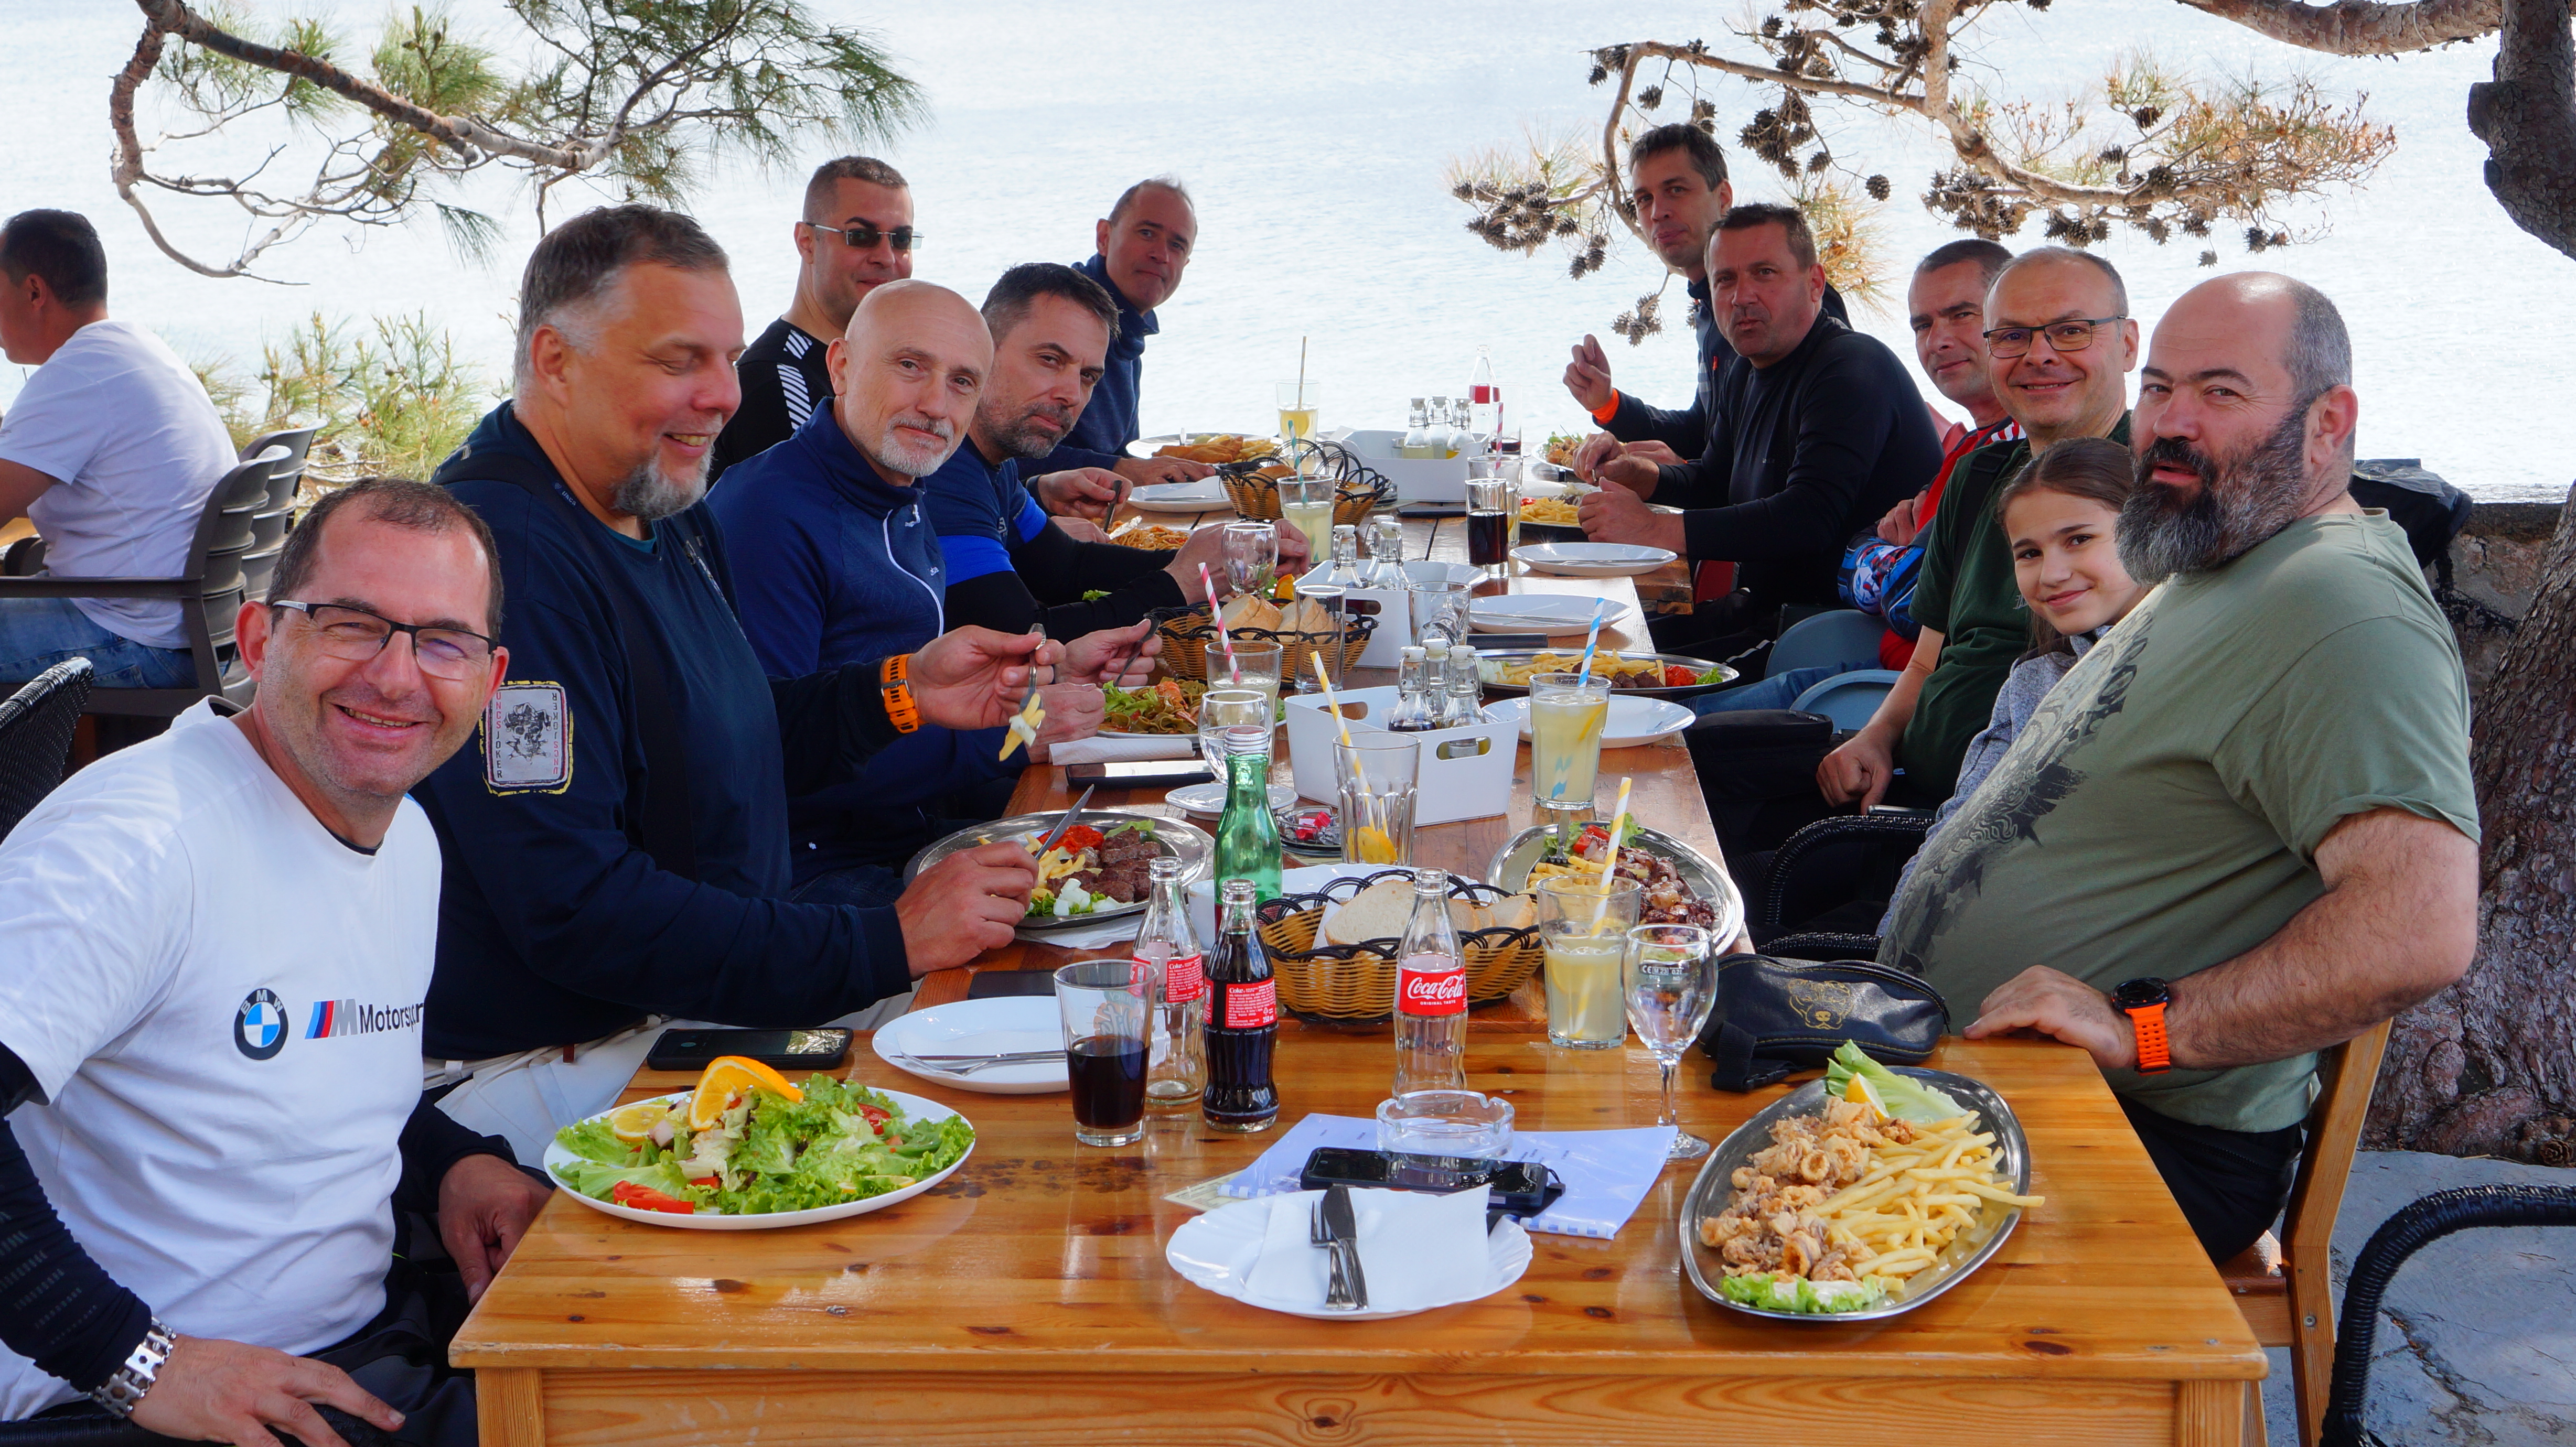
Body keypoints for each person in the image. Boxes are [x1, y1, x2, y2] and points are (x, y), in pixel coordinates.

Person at [415, 206, 1053, 1164]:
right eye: (681, 362)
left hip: (713, 996)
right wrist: (884, 942)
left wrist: (901, 691)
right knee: (996, 1117)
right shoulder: (504, 564)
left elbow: (731, 736)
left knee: (1047, 1020)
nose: (724, 394)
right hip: (567, 1059)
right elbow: (575, 909)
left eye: (726, 357)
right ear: (555, 361)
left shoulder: (658, 505)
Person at [1886, 274, 2480, 1262]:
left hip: (2143, 1134)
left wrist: (2141, 1031)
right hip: (1990, 1073)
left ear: (2328, 423)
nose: (2170, 422)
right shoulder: (2219, 555)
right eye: (2158, 388)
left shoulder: (2345, 608)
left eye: (2220, 392)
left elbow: (2416, 931)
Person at [0, 478, 551, 1443]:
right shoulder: (136, 846)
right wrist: (134, 1359)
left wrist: (453, 1164)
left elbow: (303, 1075)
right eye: (352, 625)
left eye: (442, 642)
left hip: (363, 1344)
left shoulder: (407, 838)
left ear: (490, 677)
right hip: (124, 1405)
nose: (396, 677)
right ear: (259, 639)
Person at [707, 276, 1148, 881]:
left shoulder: (902, 488)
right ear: (841, 366)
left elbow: (920, 696)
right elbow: (768, 754)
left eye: (962, 381)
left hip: (915, 825)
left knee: (1148, 847)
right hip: (815, 876)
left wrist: (1053, 673)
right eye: (910, 366)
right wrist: (1018, 732)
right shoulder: (769, 514)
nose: (937, 406)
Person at [1818, 246, 2136, 810]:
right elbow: (1927, 660)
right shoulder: (1977, 476)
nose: (2038, 355)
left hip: (2032, 820)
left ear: (2128, 344)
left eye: (2070, 331)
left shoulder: (2160, 486)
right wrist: (1877, 738)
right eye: (2011, 336)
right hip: (1908, 793)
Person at [1578, 204, 1938, 653]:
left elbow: (1807, 520)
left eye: (1764, 273)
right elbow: (1716, 482)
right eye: (1725, 280)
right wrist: (1640, 475)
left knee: (1611, 676)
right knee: (1585, 646)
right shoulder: (1746, 370)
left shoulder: (1852, 369)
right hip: (1760, 612)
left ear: (1815, 284)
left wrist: (1653, 529)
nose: (1741, 296)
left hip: (1836, 636)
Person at [1695, 240, 2020, 715]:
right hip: (1874, 662)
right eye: (1923, 325)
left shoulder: (2016, 455)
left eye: (1961, 315)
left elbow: (1917, 599)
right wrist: (1897, 559)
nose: (1938, 341)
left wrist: (1899, 561)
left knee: (1676, 725)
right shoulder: (1970, 448)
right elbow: (1859, 555)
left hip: (1912, 699)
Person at [920, 262, 1305, 636]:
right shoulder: (941, 469)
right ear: (981, 350)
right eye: (1050, 360)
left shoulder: (992, 462)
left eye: (1088, 376)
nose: (1072, 394)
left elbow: (1067, 567)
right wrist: (1182, 583)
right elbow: (1024, 637)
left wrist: (1229, 555)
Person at [1876, 436, 2144, 926]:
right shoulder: (2033, 680)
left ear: (2148, 528)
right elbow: (1955, 832)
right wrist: (1895, 944)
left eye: (2079, 540)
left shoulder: (2193, 665)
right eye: (2029, 553)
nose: (2052, 574)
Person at [0, 208, 239, 688]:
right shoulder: (132, 350)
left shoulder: (78, 374)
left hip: (136, 638)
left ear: (34, 292)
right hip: (190, 627)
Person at [1563, 126, 1849, 494]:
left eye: (1676, 190)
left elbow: (1803, 483)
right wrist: (1609, 406)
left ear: (1723, 197)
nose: (1658, 213)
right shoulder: (1710, 309)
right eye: (1644, 199)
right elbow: (1707, 431)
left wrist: (1682, 475)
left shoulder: (1800, 304)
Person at [706, 156, 917, 483]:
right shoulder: (776, 384)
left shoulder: (888, 372)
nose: (886, 258)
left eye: (901, 239)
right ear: (806, 242)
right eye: (861, 236)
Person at [1024, 177, 1217, 515]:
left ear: (1185, 264)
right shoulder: (1059, 312)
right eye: (1147, 233)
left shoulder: (1128, 329)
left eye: (1177, 246)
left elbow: (1120, 452)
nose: (1161, 255)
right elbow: (1006, 449)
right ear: (1104, 237)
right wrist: (1121, 469)